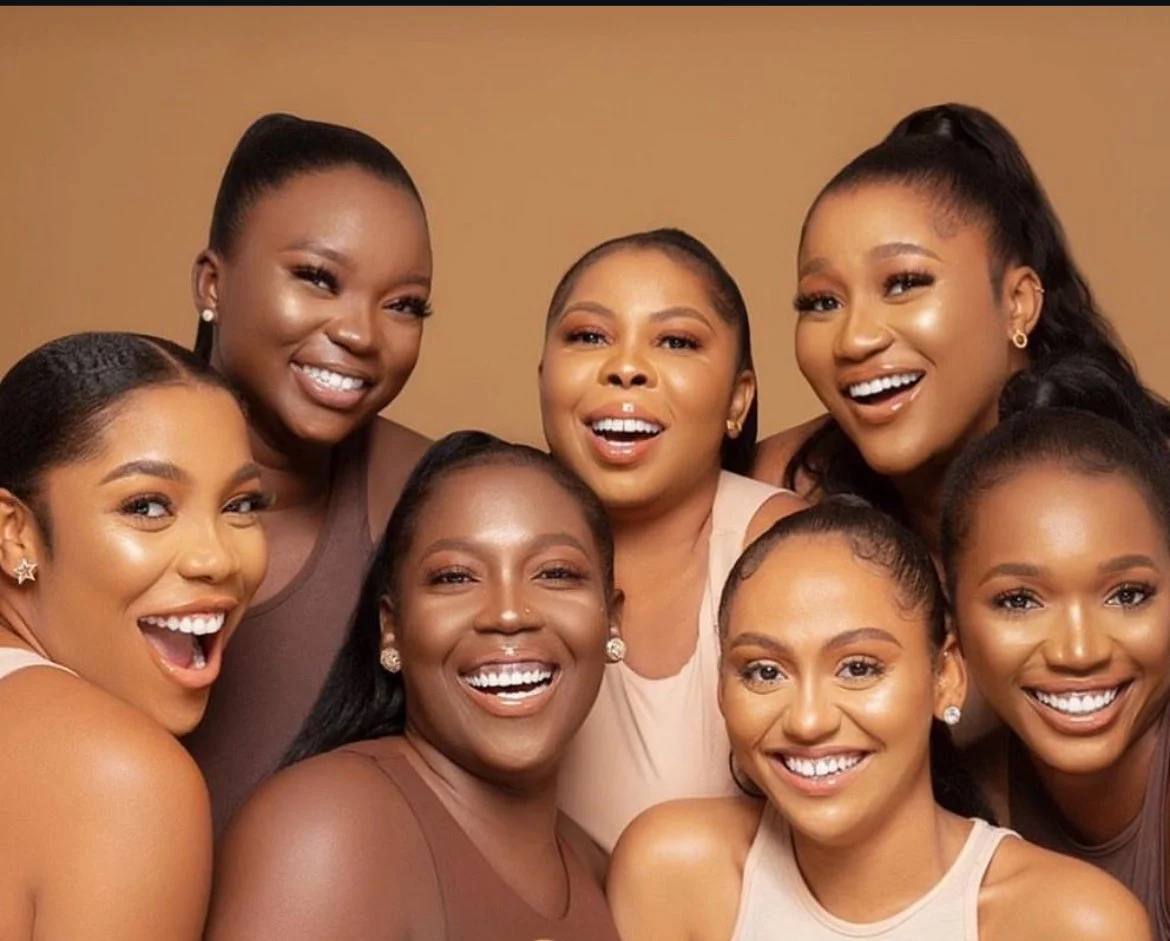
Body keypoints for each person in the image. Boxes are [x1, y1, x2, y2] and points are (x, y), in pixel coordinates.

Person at [608, 501, 1150, 941]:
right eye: (765, 672)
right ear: (722, 689)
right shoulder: (672, 871)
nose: (808, 720)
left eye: (859, 668)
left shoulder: (1074, 923)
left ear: (946, 677)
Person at [203, 432, 622, 941]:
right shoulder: (329, 828)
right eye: (456, 578)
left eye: (555, 573)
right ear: (391, 628)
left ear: (611, 620)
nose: (509, 613)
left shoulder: (600, 870)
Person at [753, 102, 1169, 556]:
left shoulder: (1147, 487)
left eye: (904, 283)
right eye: (822, 302)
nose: (854, 339)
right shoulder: (776, 493)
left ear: (1018, 304)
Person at [182, 112, 435, 834]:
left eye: (404, 305)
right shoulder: (87, 460)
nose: (360, 333)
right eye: (319, 279)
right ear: (213, 284)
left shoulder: (427, 497)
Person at [537, 227, 806, 851]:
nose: (626, 367)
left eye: (677, 341)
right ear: (545, 376)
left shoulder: (788, 553)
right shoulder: (483, 537)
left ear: (738, 400)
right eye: (589, 336)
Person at [0, 332, 268, 941]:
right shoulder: (124, 782)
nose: (215, 559)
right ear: (15, 533)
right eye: (147, 507)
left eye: (241, 505)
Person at [940, 378, 1170, 937]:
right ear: (952, 626)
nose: (1080, 651)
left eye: (1128, 595)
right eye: (1019, 601)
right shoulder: (952, 796)